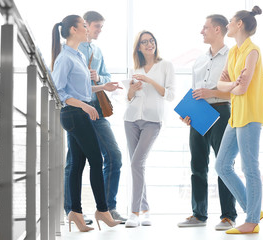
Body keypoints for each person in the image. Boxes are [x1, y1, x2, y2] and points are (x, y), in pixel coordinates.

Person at [51, 15, 121, 232]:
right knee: (96, 159)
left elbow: (81, 90)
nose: (87, 29)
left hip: (79, 113)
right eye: (83, 26)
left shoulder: (79, 55)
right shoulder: (64, 58)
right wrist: (84, 106)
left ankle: (75, 212)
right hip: (73, 115)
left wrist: (103, 87)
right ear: (73, 30)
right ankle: (102, 209)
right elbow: (60, 92)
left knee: (78, 164)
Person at [177, 15, 237, 230]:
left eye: (206, 27)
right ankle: (198, 214)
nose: (202, 31)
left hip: (221, 112)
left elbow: (237, 92)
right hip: (199, 113)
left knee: (223, 165)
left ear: (218, 29)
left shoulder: (232, 56)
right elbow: (196, 93)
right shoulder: (200, 60)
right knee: (197, 165)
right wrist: (187, 113)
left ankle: (229, 216)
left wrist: (210, 92)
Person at [215, 6, 263, 234]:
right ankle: (252, 208)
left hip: (250, 115)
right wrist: (234, 84)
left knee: (249, 167)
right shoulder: (234, 52)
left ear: (239, 25)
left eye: (230, 22)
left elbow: (241, 88)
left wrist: (234, 85)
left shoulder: (252, 51)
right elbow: (221, 85)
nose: (227, 25)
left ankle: (252, 221)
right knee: (222, 165)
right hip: (235, 116)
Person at [74, 10, 126, 223]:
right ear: (85, 25)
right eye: (97, 27)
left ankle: (107, 208)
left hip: (97, 110)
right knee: (75, 162)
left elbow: (106, 76)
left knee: (114, 156)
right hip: (77, 109)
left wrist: (99, 76)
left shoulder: (97, 50)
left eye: (101, 27)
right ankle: (73, 211)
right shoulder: (72, 49)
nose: (99, 31)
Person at [124, 30, 175, 228]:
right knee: (137, 166)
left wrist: (150, 81)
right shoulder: (134, 68)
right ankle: (145, 209)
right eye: (144, 42)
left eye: (151, 41)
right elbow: (128, 99)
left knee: (137, 163)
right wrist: (131, 91)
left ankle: (134, 212)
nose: (148, 44)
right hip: (131, 120)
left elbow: (170, 95)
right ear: (138, 47)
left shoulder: (165, 66)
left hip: (153, 121)